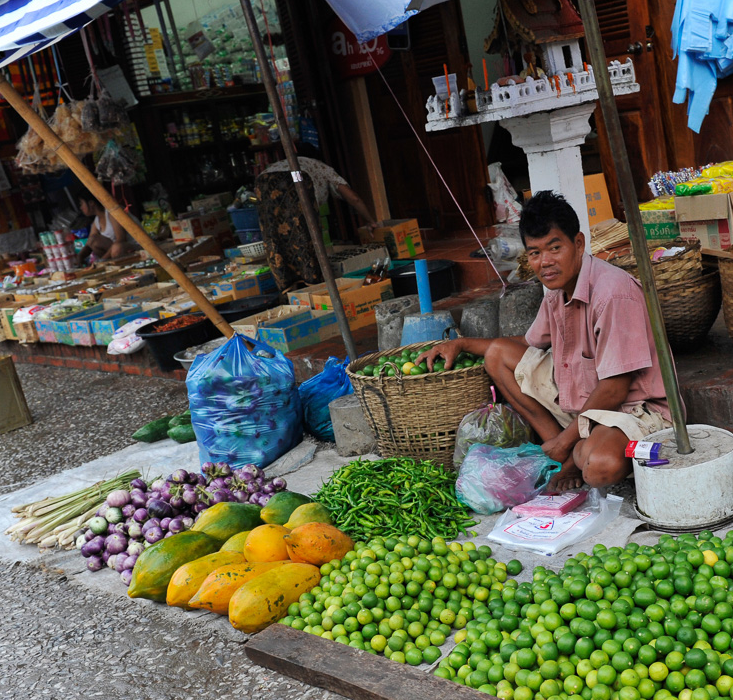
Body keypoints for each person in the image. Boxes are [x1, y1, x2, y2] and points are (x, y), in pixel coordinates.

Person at [419, 191, 670, 492]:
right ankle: (563, 448)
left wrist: (566, 441)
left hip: (634, 409)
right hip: (582, 402)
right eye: (535, 253)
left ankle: (568, 453)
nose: (545, 262)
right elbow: (528, 344)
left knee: (599, 466)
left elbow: (615, 388)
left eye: (554, 248)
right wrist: (462, 344)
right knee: (498, 354)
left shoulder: (613, 293)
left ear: (578, 244)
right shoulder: (556, 290)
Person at [256, 142, 377, 290]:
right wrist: (370, 221)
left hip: (267, 198)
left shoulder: (273, 167)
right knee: (306, 243)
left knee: (277, 245)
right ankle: (315, 289)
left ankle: (290, 292)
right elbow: (353, 198)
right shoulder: (320, 167)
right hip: (297, 204)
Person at [78, 195, 128, 262]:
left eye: (81, 204)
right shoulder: (96, 221)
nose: (81, 208)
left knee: (117, 247)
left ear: (91, 203)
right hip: (114, 253)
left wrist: (102, 260)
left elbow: (121, 239)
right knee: (93, 241)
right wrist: (79, 257)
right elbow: (89, 243)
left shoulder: (112, 213)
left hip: (129, 247)